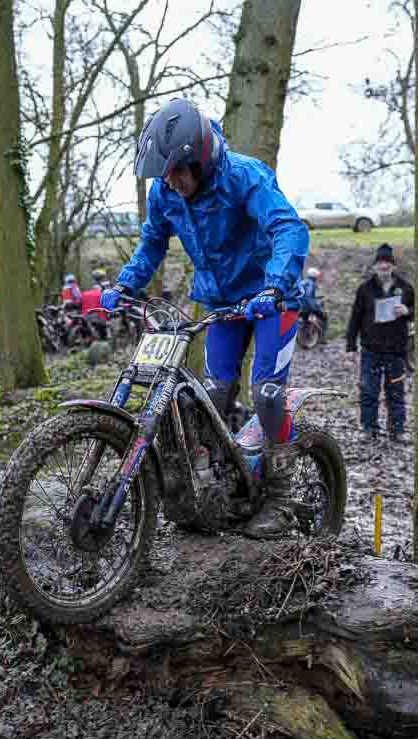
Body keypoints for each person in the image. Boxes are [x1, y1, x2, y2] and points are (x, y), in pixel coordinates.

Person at [100, 97, 309, 536]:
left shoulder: (244, 176)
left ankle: (283, 497)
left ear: (201, 158)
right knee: (209, 394)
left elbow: (287, 228)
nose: (171, 182)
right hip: (222, 305)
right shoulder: (164, 192)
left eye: (178, 171)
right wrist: (124, 285)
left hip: (274, 299)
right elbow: (153, 241)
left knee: (268, 392)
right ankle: (222, 486)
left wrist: (274, 285)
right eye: (165, 174)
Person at [346, 243, 414, 443]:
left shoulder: (406, 288)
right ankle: (369, 428)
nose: (384, 266)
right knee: (369, 391)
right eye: (380, 263)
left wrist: (407, 311)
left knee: (396, 391)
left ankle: (397, 429)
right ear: (375, 266)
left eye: (387, 263)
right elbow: (355, 318)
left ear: (393, 266)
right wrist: (351, 345)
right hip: (370, 349)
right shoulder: (365, 289)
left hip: (396, 350)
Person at [300, 266, 328, 343]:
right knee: (324, 317)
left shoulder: (302, 283)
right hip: (308, 307)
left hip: (300, 308)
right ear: (314, 276)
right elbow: (308, 296)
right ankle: (323, 338)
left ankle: (304, 336)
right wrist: (315, 307)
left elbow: (304, 295)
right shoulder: (311, 284)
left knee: (305, 320)